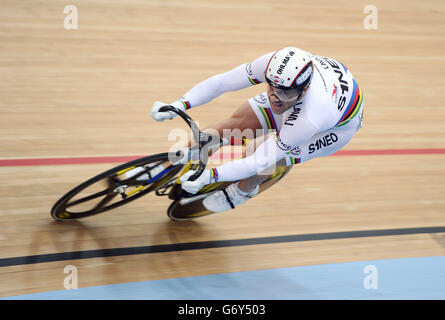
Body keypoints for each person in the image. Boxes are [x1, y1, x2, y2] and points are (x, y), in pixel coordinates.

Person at [151, 47, 364, 213]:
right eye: (271, 87)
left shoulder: (312, 115)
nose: (274, 97)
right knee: (225, 129)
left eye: (283, 93)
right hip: (304, 100)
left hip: (334, 129)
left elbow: (259, 161)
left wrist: (208, 177)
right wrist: (180, 104)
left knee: (256, 151)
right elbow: (222, 83)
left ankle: (243, 191)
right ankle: (167, 165)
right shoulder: (275, 66)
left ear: (305, 88)